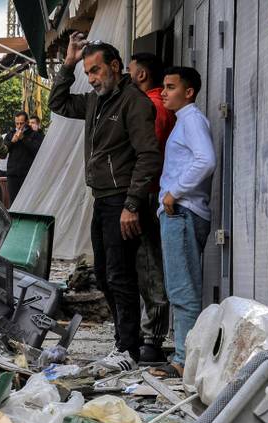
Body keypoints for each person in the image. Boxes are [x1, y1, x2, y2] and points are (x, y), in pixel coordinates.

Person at [49, 33, 161, 372]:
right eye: (88, 73)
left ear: (115, 66)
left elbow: (149, 156)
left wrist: (131, 205)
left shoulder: (133, 102)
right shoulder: (97, 101)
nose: (93, 79)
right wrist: (68, 64)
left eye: (97, 70)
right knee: (104, 273)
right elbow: (58, 103)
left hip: (123, 202)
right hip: (103, 198)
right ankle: (125, 341)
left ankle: (127, 347)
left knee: (120, 275)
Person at [151, 66, 216, 378]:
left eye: (171, 87)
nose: (164, 92)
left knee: (182, 289)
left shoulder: (190, 119)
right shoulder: (185, 121)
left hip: (182, 212)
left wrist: (173, 193)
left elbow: (206, 159)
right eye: (163, 86)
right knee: (181, 287)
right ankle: (183, 356)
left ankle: (182, 360)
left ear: (188, 92)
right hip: (181, 211)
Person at [127, 52, 176, 364]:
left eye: (130, 71)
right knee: (148, 265)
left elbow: (148, 154)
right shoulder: (156, 104)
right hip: (153, 192)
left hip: (150, 193)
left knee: (150, 267)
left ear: (141, 74)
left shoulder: (152, 106)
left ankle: (151, 339)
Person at [4, 111, 44, 201]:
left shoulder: (35, 135)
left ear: (26, 123)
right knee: (13, 202)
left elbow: (37, 150)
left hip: (28, 175)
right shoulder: (10, 134)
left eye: (21, 123)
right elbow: (4, 150)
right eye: (17, 123)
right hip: (13, 175)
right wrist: (12, 142)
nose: (18, 126)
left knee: (27, 202)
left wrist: (23, 139)